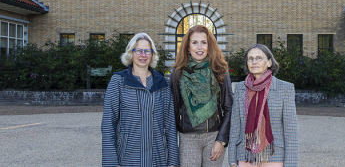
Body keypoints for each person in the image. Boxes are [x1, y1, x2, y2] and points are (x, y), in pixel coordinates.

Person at [101, 33, 179, 167]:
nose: (143, 55)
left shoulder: (162, 84)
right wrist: (112, 163)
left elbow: (170, 126)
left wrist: (173, 162)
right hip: (127, 159)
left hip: (157, 159)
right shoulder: (119, 82)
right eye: (138, 50)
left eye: (147, 51)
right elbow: (108, 124)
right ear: (131, 53)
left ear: (152, 54)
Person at [170, 25, 233, 167]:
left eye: (204, 42)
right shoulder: (177, 74)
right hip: (187, 138)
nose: (199, 47)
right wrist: (172, 149)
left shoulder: (220, 71)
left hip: (214, 136)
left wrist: (221, 140)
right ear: (187, 47)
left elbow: (229, 108)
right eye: (194, 42)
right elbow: (172, 111)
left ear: (209, 46)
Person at [229, 44, 298, 167]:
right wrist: (232, 159)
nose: (254, 62)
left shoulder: (285, 88)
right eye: (250, 59)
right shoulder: (240, 88)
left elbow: (290, 130)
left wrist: (291, 164)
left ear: (269, 62)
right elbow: (235, 125)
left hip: (274, 154)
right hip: (245, 154)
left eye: (259, 58)